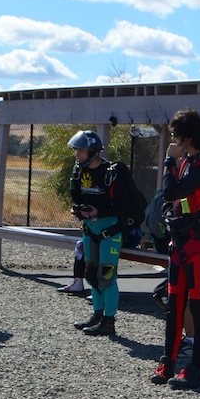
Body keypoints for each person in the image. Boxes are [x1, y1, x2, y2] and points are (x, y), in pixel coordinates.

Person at [150, 109, 200, 389]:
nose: (173, 141)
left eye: (176, 136)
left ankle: (196, 370)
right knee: (174, 306)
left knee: (199, 307)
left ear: (187, 138)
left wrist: (169, 160)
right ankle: (167, 362)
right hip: (180, 243)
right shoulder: (189, 163)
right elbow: (175, 200)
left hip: (197, 246)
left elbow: (171, 192)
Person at [66, 130, 131, 337]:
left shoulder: (112, 173)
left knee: (106, 277)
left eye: (81, 151)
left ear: (92, 151)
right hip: (89, 230)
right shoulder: (79, 170)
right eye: (76, 150)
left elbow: (123, 205)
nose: (77, 154)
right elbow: (76, 196)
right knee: (91, 274)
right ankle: (97, 314)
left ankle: (109, 322)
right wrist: (79, 210)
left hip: (110, 232)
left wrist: (98, 212)